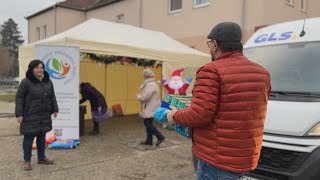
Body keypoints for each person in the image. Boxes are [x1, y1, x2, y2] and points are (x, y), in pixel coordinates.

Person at [167, 22, 271, 180]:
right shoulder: (262, 73)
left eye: (210, 44)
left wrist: (174, 116)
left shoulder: (211, 70)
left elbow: (199, 115)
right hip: (244, 157)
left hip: (216, 158)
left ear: (215, 44)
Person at [15, 59, 59, 171]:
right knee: (28, 138)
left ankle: (41, 157)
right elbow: (19, 98)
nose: (40, 69)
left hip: (44, 115)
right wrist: (19, 114)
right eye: (37, 67)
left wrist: (55, 108)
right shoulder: (25, 82)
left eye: (41, 67)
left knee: (41, 137)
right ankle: (27, 161)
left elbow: (52, 96)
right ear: (32, 69)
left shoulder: (48, 82)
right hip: (30, 115)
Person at [137, 68, 165, 146]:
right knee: (148, 122)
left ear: (145, 76)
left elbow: (146, 96)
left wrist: (139, 97)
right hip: (150, 106)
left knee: (147, 123)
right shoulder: (152, 83)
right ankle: (149, 140)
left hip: (150, 106)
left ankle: (160, 136)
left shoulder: (150, 84)